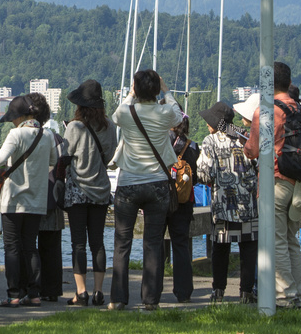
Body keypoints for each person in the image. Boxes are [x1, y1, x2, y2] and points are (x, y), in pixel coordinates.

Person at [108, 69, 183, 311]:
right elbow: (179, 117)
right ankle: (151, 300)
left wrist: (130, 94)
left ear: (136, 89)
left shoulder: (127, 112)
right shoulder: (164, 112)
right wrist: (167, 90)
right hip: (157, 183)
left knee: (122, 242)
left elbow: (115, 115)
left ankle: (118, 298)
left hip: (129, 182)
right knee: (153, 243)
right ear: (156, 89)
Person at [243, 61, 301, 309]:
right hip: (298, 182)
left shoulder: (268, 110)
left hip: (276, 181)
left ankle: (284, 296)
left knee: (277, 240)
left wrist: (247, 147)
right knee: (292, 241)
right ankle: (300, 294)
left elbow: (253, 149)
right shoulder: (298, 108)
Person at [0, 95, 57, 308]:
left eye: (13, 117)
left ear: (20, 116)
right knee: (31, 246)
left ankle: (13, 295)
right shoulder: (46, 135)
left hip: (13, 200)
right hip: (36, 200)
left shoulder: (15, 134)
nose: (11, 121)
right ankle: (34, 293)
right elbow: (54, 161)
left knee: (11, 247)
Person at [196, 101, 258, 303]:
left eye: (210, 121)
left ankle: (218, 291)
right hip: (248, 204)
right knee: (248, 247)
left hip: (223, 204)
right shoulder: (246, 137)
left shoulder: (210, 141)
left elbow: (205, 174)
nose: (207, 124)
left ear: (218, 123)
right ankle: (246, 291)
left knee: (220, 248)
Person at [62, 79, 116, 307]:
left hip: (77, 191)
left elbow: (65, 156)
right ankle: (99, 291)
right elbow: (110, 155)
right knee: (98, 243)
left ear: (80, 105)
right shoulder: (110, 126)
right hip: (101, 190)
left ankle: (81, 292)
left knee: (78, 243)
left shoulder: (74, 128)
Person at [158, 113, 200, 303]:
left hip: (159, 198)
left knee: (155, 244)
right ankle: (184, 292)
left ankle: (153, 290)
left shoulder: (159, 141)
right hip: (183, 202)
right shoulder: (192, 146)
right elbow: (196, 178)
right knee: (181, 246)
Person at [32, 95, 67, 303]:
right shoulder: (56, 138)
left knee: (29, 245)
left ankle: (32, 286)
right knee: (52, 246)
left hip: (30, 196)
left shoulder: (21, 136)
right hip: (53, 196)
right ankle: (52, 289)